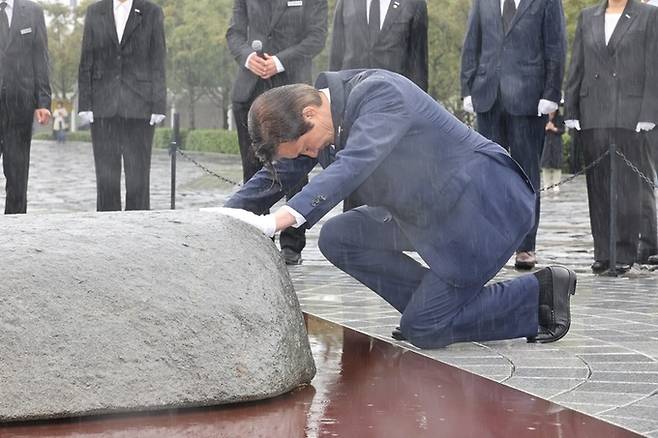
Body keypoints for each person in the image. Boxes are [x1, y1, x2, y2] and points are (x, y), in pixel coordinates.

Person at [213, 69, 577, 349]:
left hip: (483, 211)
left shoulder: (379, 94)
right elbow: (276, 176)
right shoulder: (318, 124)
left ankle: (539, 295)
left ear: (309, 113)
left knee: (424, 328)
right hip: (426, 215)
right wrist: (216, 221)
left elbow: (353, 164)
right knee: (339, 237)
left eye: (307, 149)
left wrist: (278, 220)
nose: (310, 157)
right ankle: (434, 307)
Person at [460, 0, 567, 269]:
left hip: (529, 99)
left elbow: (556, 46)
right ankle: (488, 243)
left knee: (526, 176)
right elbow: (472, 42)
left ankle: (525, 246)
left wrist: (552, 93)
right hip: (488, 96)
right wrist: (467, 86)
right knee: (486, 175)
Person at [226, 0, 328, 265]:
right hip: (250, 90)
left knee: (295, 167)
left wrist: (280, 61)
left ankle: (292, 244)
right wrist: (249, 57)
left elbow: (316, 37)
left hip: (293, 88)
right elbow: (234, 33)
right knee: (253, 167)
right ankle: (257, 236)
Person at [564, 0, 658, 274]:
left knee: (628, 188)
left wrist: (649, 111)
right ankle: (603, 252)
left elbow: (654, 65)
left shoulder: (649, 15)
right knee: (599, 187)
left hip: (631, 112)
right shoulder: (587, 16)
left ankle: (623, 253)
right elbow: (577, 65)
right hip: (593, 109)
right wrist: (571, 106)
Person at [78, 0, 166, 212]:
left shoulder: (151, 12)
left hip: (140, 107)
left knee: (138, 177)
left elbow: (158, 59)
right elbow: (86, 60)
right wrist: (85, 103)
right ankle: (107, 228)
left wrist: (159, 105)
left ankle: (139, 228)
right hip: (102, 106)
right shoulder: (94, 12)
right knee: (106, 177)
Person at [0, 0, 51, 214]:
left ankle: (16, 228)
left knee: (17, 174)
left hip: (20, 106)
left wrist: (43, 101)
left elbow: (41, 59)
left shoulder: (33, 12)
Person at [329, 0, 428, 91]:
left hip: (393, 97)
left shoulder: (414, 3)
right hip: (351, 94)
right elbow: (336, 56)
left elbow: (418, 65)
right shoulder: (346, 2)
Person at [541, 109, 565, 193]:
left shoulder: (560, 118)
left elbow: (562, 130)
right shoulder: (543, 117)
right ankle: (546, 184)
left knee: (557, 164)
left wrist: (554, 128)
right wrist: (546, 128)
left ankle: (556, 184)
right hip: (546, 143)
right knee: (545, 164)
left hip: (556, 143)